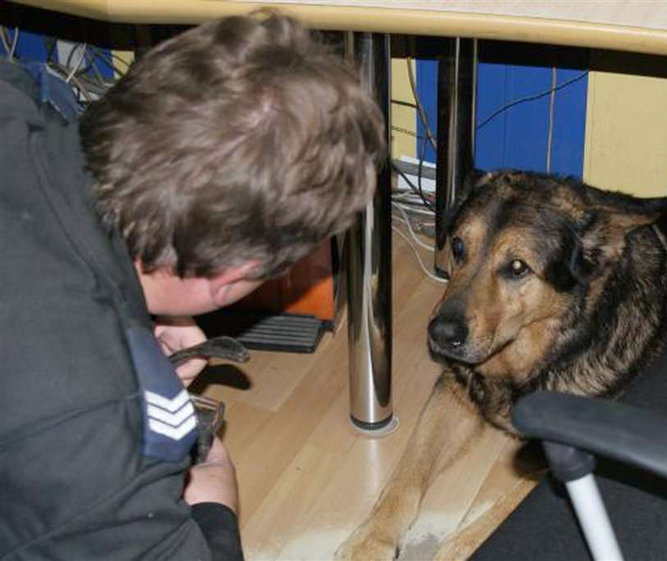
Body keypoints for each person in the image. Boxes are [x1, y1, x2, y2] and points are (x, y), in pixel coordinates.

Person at [0, 11, 384, 560]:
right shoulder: (95, 432)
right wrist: (212, 513)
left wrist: (137, 319)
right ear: (231, 277)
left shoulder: (12, 98)